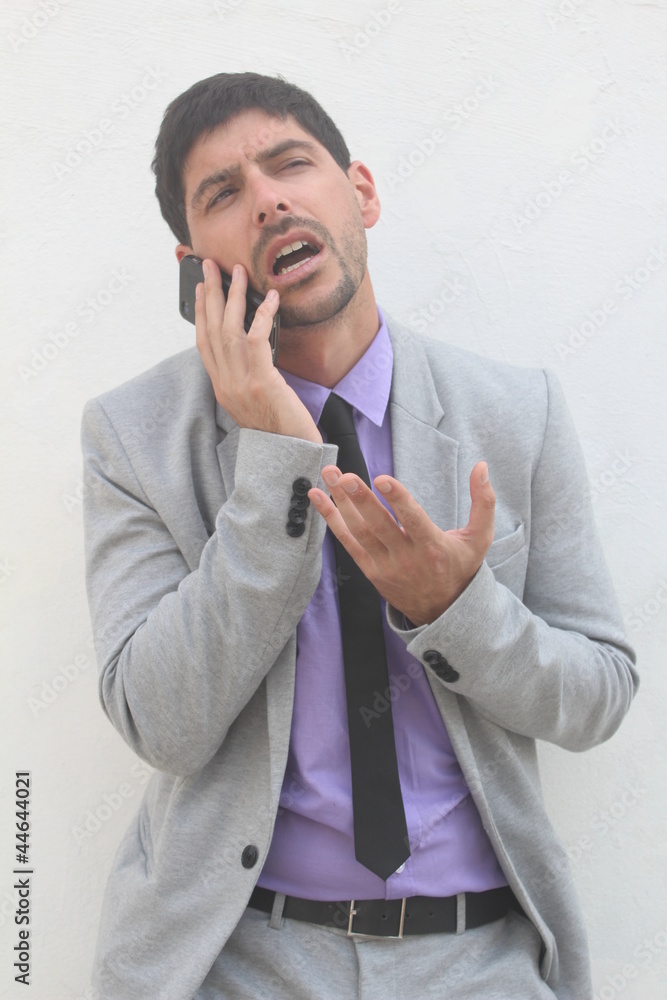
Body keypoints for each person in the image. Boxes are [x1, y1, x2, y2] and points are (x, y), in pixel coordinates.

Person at [81, 72, 638, 1000]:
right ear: (194, 264)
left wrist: (456, 611)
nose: (267, 199)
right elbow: (160, 723)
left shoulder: (516, 412)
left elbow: (597, 696)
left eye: (289, 163)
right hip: (237, 958)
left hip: (480, 958)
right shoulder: (132, 437)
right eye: (224, 194)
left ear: (361, 192)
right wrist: (269, 462)